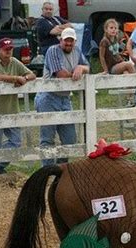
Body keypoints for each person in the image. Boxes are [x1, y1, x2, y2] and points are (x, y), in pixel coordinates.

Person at [35, 28, 89, 167]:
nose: (68, 43)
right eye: (66, 40)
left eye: (71, 41)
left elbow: (88, 67)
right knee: (47, 137)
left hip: (65, 98)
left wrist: (81, 68)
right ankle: (46, 169)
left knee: (70, 138)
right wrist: (76, 73)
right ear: (61, 40)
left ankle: (60, 168)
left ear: (75, 41)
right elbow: (60, 74)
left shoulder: (77, 51)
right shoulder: (53, 50)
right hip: (48, 97)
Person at [0, 38, 36, 175]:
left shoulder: (14, 62)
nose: (8, 51)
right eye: (6, 49)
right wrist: (15, 79)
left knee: (16, 141)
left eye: (10, 49)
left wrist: (25, 79)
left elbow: (32, 74)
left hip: (11, 108)